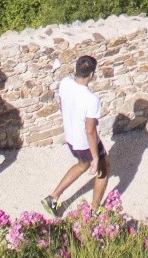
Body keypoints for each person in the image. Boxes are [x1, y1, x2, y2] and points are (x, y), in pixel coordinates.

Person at [44, 55, 109, 216]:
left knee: (82, 164)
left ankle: (53, 197)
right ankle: (94, 210)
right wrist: (95, 156)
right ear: (92, 74)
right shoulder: (91, 99)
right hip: (84, 141)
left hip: (71, 138)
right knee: (103, 169)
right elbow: (90, 130)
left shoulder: (65, 83)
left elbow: (61, 104)